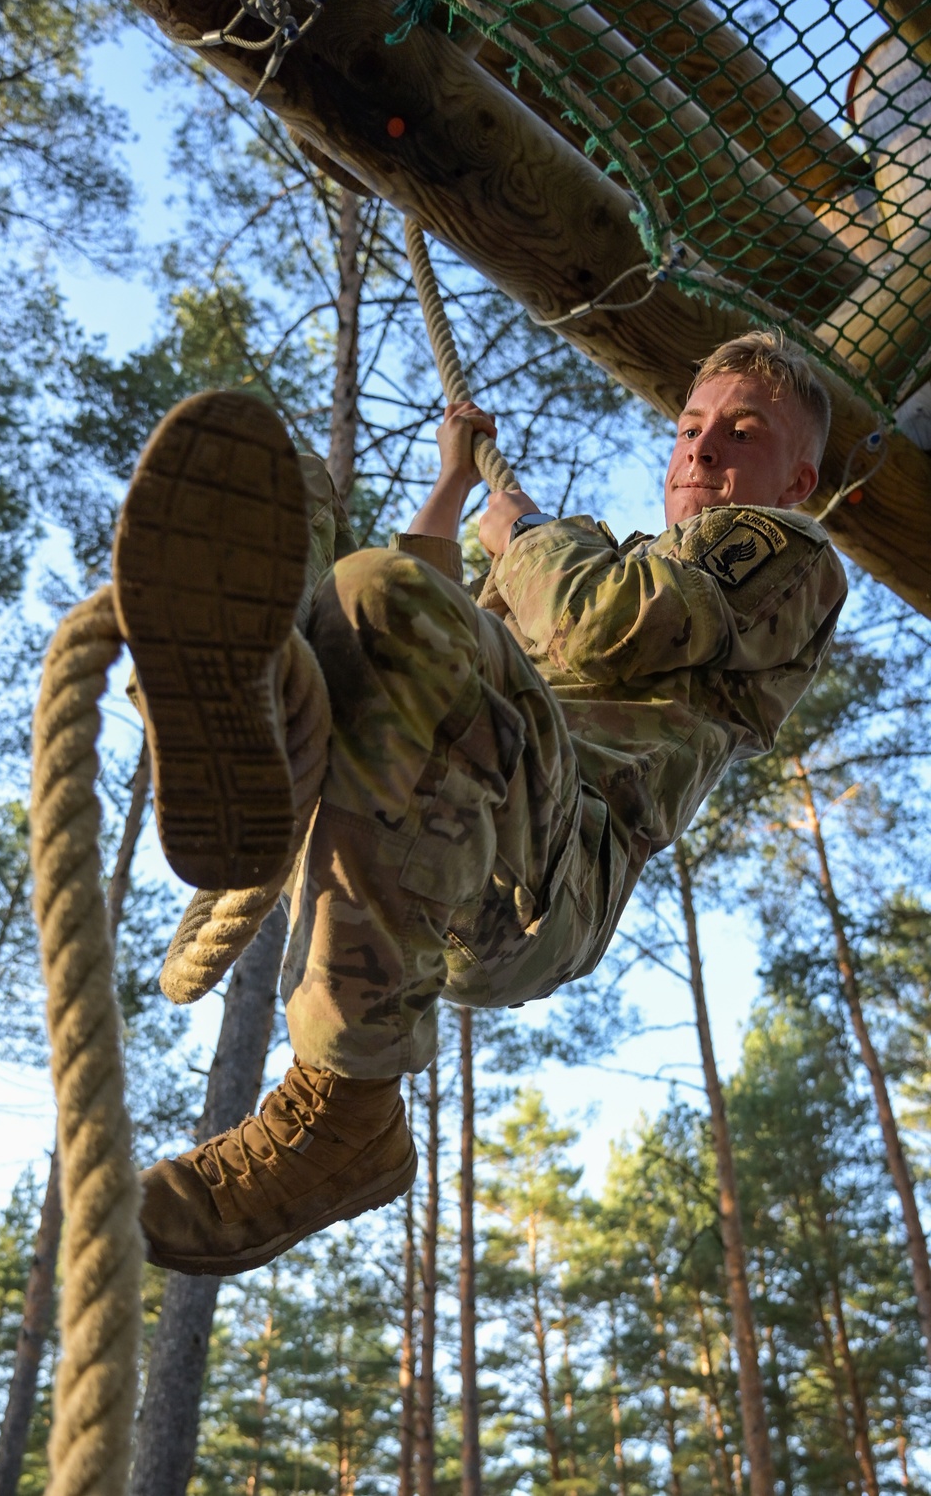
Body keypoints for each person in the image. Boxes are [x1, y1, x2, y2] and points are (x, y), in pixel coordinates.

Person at [113, 328, 847, 1277]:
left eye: (742, 433)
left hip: (544, 874)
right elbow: (414, 611)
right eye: (691, 426)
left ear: (795, 482)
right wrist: (457, 485)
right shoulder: (584, 565)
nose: (702, 449)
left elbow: (598, 619)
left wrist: (532, 536)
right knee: (272, 484)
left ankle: (346, 1113)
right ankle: (254, 736)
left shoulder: (780, 556)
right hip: (433, 824)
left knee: (381, 598)